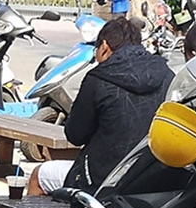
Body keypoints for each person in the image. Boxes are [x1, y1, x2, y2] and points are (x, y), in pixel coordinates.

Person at [27, 17, 175, 195]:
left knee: (38, 176)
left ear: (104, 47)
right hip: (152, 179)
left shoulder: (98, 78)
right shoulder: (167, 74)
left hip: (103, 181)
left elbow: (75, 135)